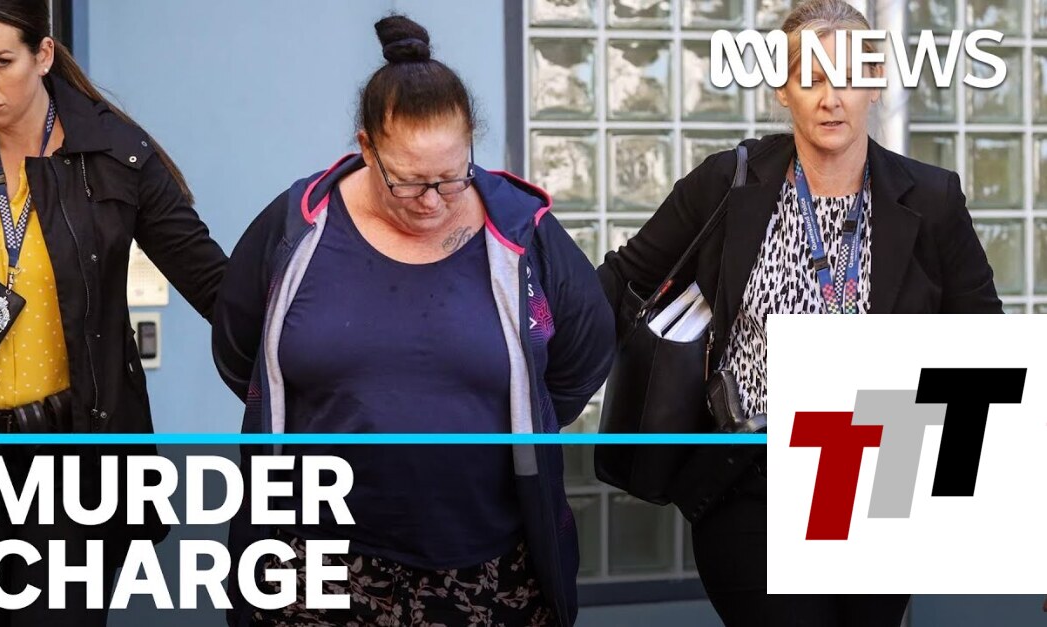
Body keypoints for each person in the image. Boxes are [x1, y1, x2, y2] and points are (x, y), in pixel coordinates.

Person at [596, 0, 1001, 625]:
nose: (830, 99)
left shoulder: (932, 198)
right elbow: (618, 281)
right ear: (782, 90)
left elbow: (982, 343)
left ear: (875, 84)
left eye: (848, 77)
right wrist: (524, 327)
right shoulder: (726, 184)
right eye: (810, 78)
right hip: (751, 479)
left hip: (881, 478)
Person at [212, 14, 614, 627]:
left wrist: (517, 418)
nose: (431, 201)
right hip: (313, 557)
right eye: (408, 182)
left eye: (451, 178)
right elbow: (241, 352)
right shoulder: (299, 225)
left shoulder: (520, 233)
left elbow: (583, 355)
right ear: (365, 147)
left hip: (483, 559)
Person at [0, 0, 227, 624]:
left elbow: (216, 288)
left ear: (43, 54)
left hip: (67, 479)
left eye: (0, 62)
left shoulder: (115, 154)